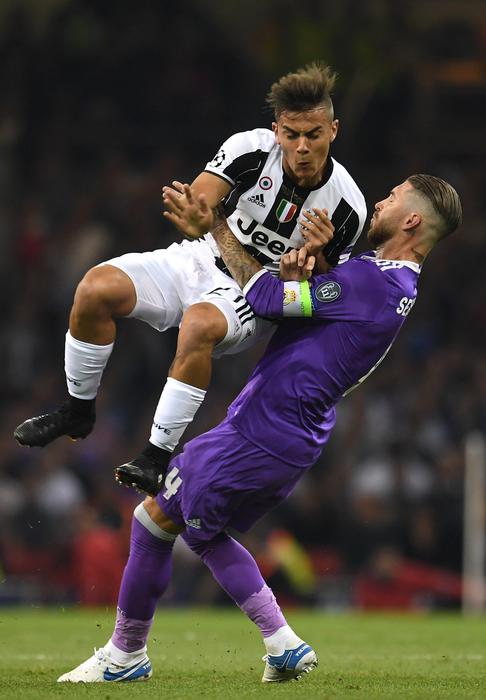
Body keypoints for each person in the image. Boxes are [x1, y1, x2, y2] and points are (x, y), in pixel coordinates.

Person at [57, 173, 462, 684]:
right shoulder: (387, 280)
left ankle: (152, 653)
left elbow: (267, 301)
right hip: (288, 429)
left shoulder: (374, 281)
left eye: (391, 199)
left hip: (267, 426)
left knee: (166, 523)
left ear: (411, 220)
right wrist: (303, 272)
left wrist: (219, 226)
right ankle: (218, 647)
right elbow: (312, 312)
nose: (379, 203)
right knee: (174, 522)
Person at [14, 62, 367, 496]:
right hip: (199, 257)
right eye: (291, 134)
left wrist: (317, 262)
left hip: (252, 294)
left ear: (334, 129)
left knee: (199, 324)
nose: (301, 147)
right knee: (94, 289)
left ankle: (155, 457)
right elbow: (201, 200)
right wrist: (195, 212)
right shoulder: (249, 149)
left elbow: (329, 298)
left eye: (313, 135)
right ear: (277, 130)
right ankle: (77, 410)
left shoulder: (348, 208)